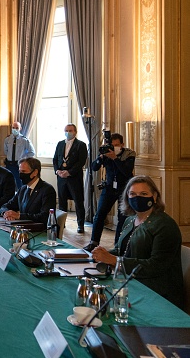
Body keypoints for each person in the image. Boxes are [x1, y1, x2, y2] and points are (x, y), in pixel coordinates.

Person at [90, 176, 183, 308]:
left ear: (155, 196)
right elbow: (120, 250)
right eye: (132, 194)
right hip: (130, 282)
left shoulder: (165, 225)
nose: (137, 198)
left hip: (158, 293)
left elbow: (155, 266)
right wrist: (100, 255)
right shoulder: (130, 220)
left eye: (144, 194)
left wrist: (114, 260)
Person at [83, 133, 136, 251]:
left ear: (122, 144)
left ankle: (118, 245)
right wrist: (100, 158)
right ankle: (93, 242)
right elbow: (94, 167)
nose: (114, 147)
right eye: (112, 145)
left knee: (122, 218)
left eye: (116, 145)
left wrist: (115, 159)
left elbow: (126, 171)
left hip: (125, 188)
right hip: (109, 187)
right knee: (99, 214)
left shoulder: (129, 154)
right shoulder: (106, 152)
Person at [0, 157, 57, 224]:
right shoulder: (23, 189)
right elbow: (6, 206)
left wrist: (19, 216)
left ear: (35, 172)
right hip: (23, 228)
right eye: (19, 171)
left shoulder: (47, 190)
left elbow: (45, 216)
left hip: (39, 230)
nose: (20, 175)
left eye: (23, 171)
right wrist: (6, 213)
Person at [53, 124, 88, 233]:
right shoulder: (60, 144)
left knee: (78, 201)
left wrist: (69, 172)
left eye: (70, 130)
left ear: (75, 132)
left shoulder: (81, 145)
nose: (68, 132)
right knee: (62, 201)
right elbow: (55, 159)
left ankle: (80, 225)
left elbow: (81, 161)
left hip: (74, 177)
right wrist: (57, 170)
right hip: (61, 177)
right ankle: (61, 223)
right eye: (66, 130)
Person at [3, 121, 35, 188]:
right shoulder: (7, 139)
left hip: (19, 165)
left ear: (20, 128)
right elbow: (5, 151)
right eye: (13, 127)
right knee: (8, 183)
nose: (15, 129)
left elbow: (32, 152)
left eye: (17, 128)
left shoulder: (24, 140)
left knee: (19, 184)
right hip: (9, 165)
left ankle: (20, 197)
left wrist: (23, 158)